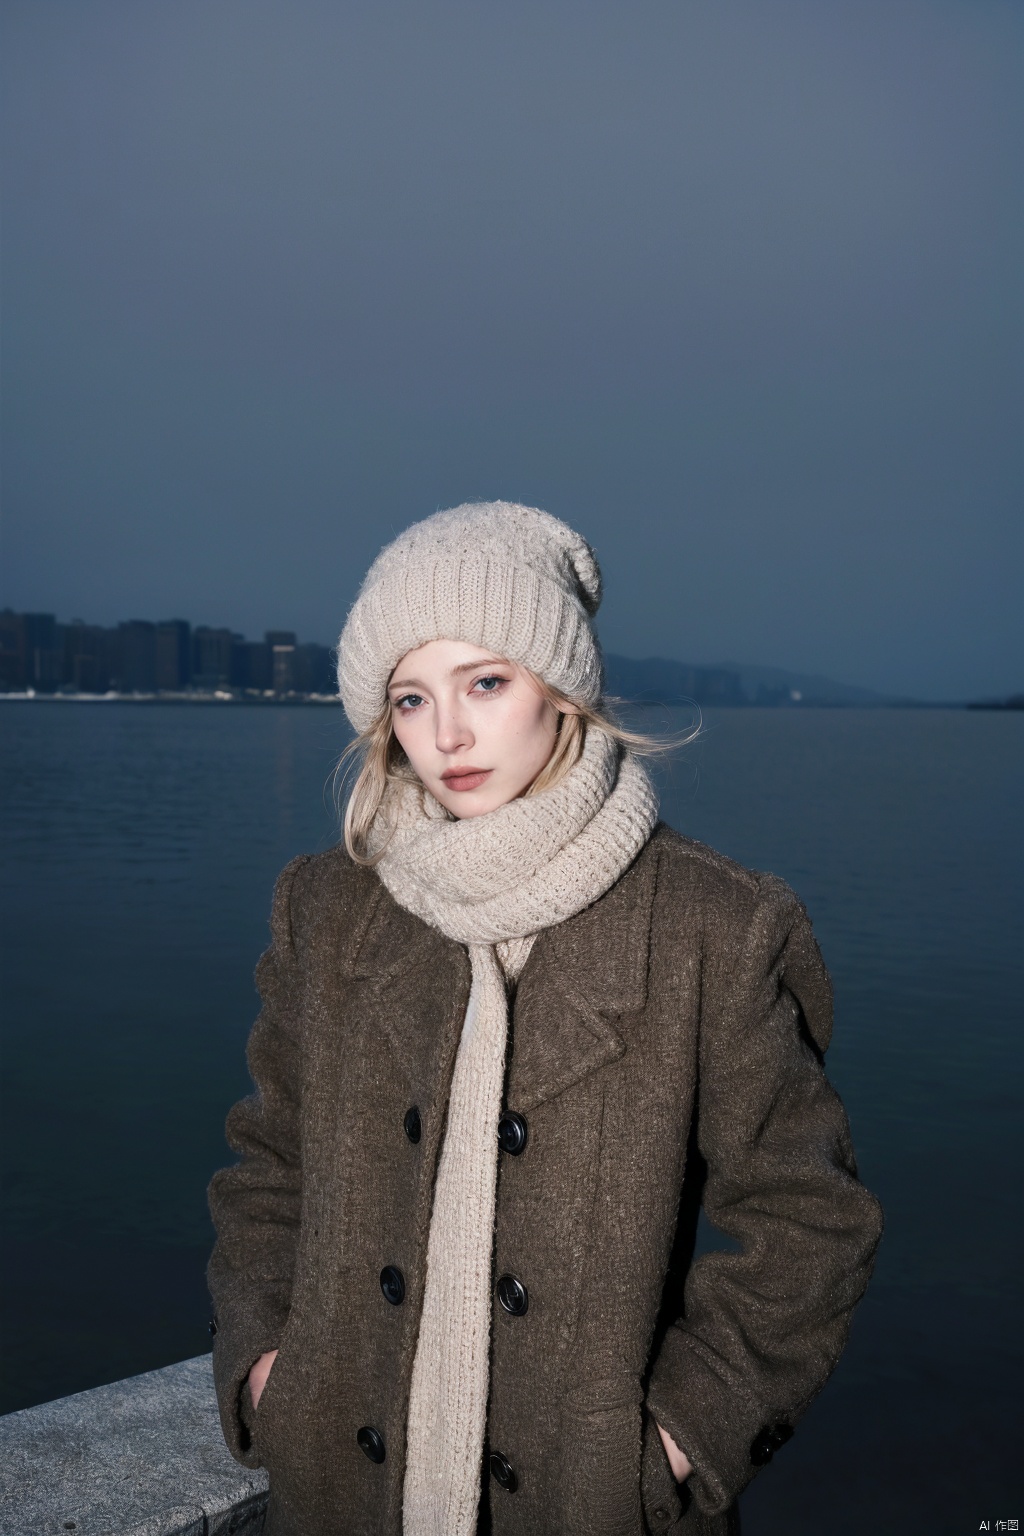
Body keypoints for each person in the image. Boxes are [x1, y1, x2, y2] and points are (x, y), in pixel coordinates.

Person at [207, 500, 883, 1536]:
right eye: (410, 697)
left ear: (559, 686)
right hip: (336, 1493)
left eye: (485, 681)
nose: (448, 734)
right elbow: (268, 1163)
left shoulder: (713, 926)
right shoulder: (328, 910)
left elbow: (806, 1223)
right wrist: (267, 1370)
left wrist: (674, 1446)